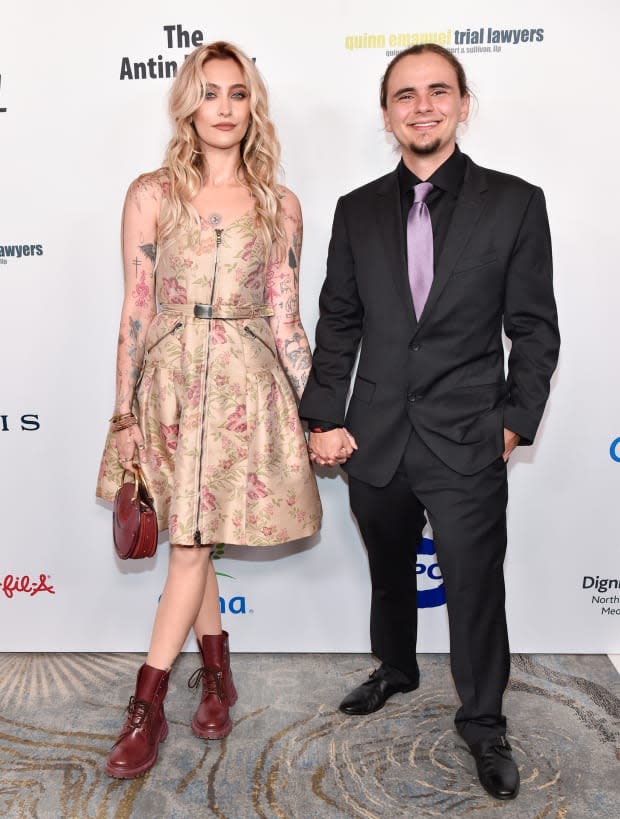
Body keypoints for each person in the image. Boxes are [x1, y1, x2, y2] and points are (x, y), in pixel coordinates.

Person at [298, 44, 559, 801]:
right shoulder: (355, 210)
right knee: (389, 573)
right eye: (405, 95)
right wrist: (322, 418)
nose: (422, 105)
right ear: (387, 114)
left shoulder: (514, 202)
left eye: (437, 91)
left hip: (468, 435)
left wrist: (513, 423)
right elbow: (338, 322)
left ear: (463, 103)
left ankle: (483, 722)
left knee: (476, 588)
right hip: (372, 435)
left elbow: (534, 329)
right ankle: (398, 667)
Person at [96, 40, 321, 779]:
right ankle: (215, 676)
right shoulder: (150, 193)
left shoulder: (278, 205)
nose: (224, 108)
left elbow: (287, 319)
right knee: (189, 540)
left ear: (253, 106)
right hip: (166, 382)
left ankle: (147, 705)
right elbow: (133, 310)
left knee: (193, 544)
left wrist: (316, 411)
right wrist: (123, 413)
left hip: (242, 389)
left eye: (238, 93)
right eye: (210, 92)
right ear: (188, 103)